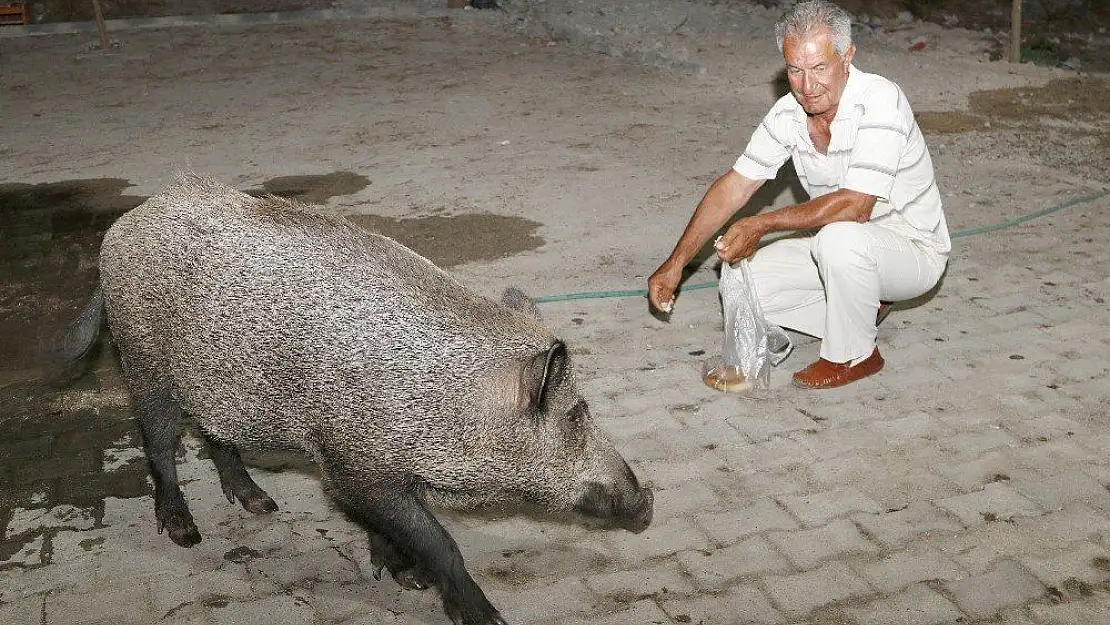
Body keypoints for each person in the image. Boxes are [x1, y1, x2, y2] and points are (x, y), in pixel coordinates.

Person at [647, 0, 950, 390]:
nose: (807, 87)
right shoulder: (786, 115)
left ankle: (854, 355)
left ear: (847, 57)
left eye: (819, 68)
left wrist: (763, 223)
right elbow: (733, 187)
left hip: (913, 251)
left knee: (838, 239)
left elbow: (857, 206)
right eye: (795, 70)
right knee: (741, 274)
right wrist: (676, 263)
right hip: (848, 247)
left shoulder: (879, 99)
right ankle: (860, 308)